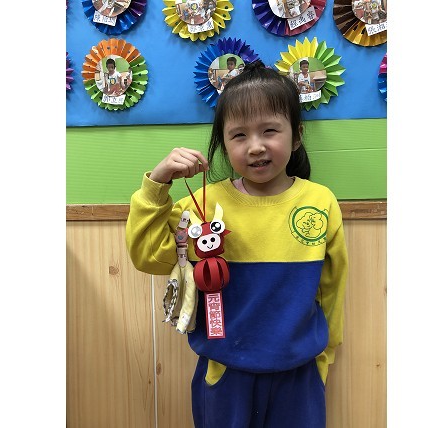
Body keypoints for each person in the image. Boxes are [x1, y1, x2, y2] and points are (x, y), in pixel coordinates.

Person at [126, 60, 348, 428]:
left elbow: (332, 290)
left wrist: (324, 359)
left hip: (300, 376)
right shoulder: (202, 205)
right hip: (225, 376)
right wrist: (157, 185)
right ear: (224, 144)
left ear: (296, 136)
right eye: (239, 135)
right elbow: (149, 256)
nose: (256, 147)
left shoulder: (320, 201)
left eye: (270, 130)